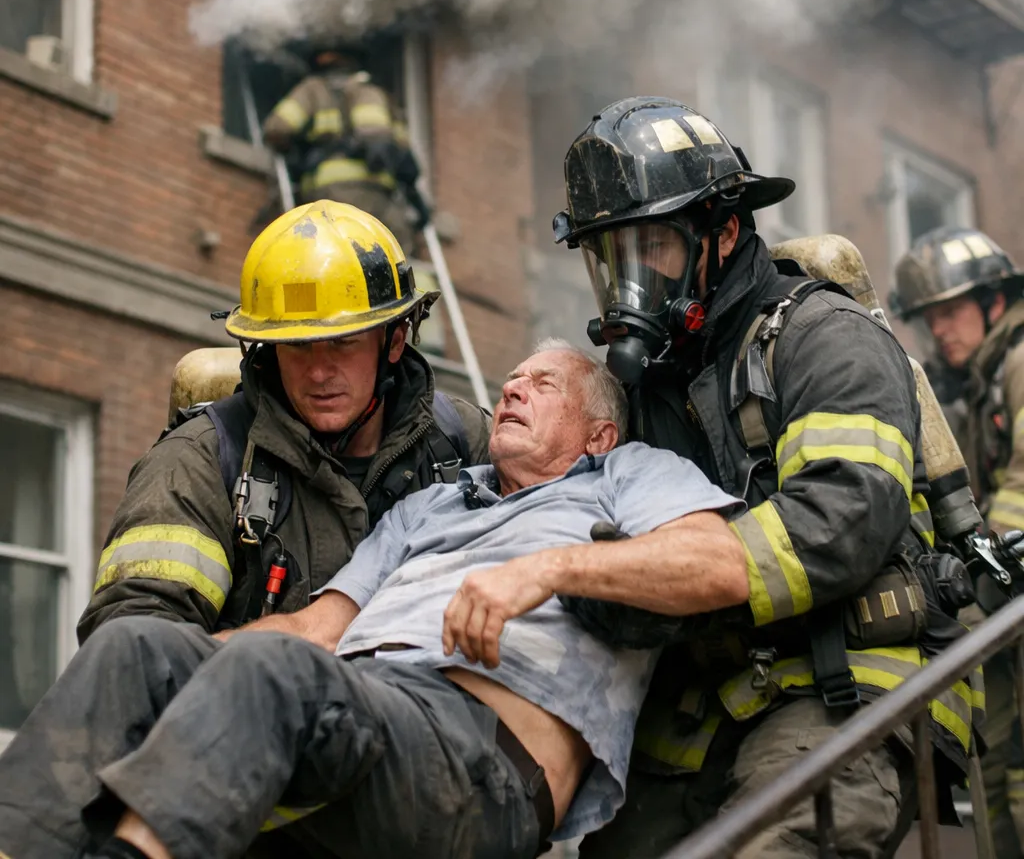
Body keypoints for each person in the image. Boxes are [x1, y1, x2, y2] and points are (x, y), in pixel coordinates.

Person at [0, 341, 747, 859]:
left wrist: (547, 571)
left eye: (544, 385)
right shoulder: (433, 506)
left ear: (599, 435)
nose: (512, 390)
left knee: (273, 672)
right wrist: (184, 679)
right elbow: (316, 628)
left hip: (484, 769)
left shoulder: (629, 475)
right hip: (360, 718)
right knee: (138, 649)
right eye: (512, 379)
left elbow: (721, 563)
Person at [551, 97, 979, 858]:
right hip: (708, 702)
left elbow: (844, 519)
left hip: (845, 681)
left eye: (651, 248)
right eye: (610, 257)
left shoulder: (825, 338)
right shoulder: (651, 387)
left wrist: (674, 572)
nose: (629, 283)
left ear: (721, 233)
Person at [79, 200, 490, 642]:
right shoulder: (197, 464)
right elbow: (134, 647)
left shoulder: (465, 441)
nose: (318, 372)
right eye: (297, 345)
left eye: (343, 343)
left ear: (394, 341)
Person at [892, 225, 1024, 858]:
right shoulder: (980, 381)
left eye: (950, 311)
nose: (938, 329)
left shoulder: (1020, 362)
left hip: (1006, 591)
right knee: (993, 762)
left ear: (993, 301)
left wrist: (974, 576)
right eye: (929, 317)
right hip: (1005, 603)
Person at [262, 47, 431, 254]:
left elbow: (277, 128)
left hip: (332, 195)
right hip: (384, 200)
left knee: (337, 257)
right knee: (392, 260)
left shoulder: (314, 88)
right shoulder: (379, 95)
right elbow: (404, 157)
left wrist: (297, 154)